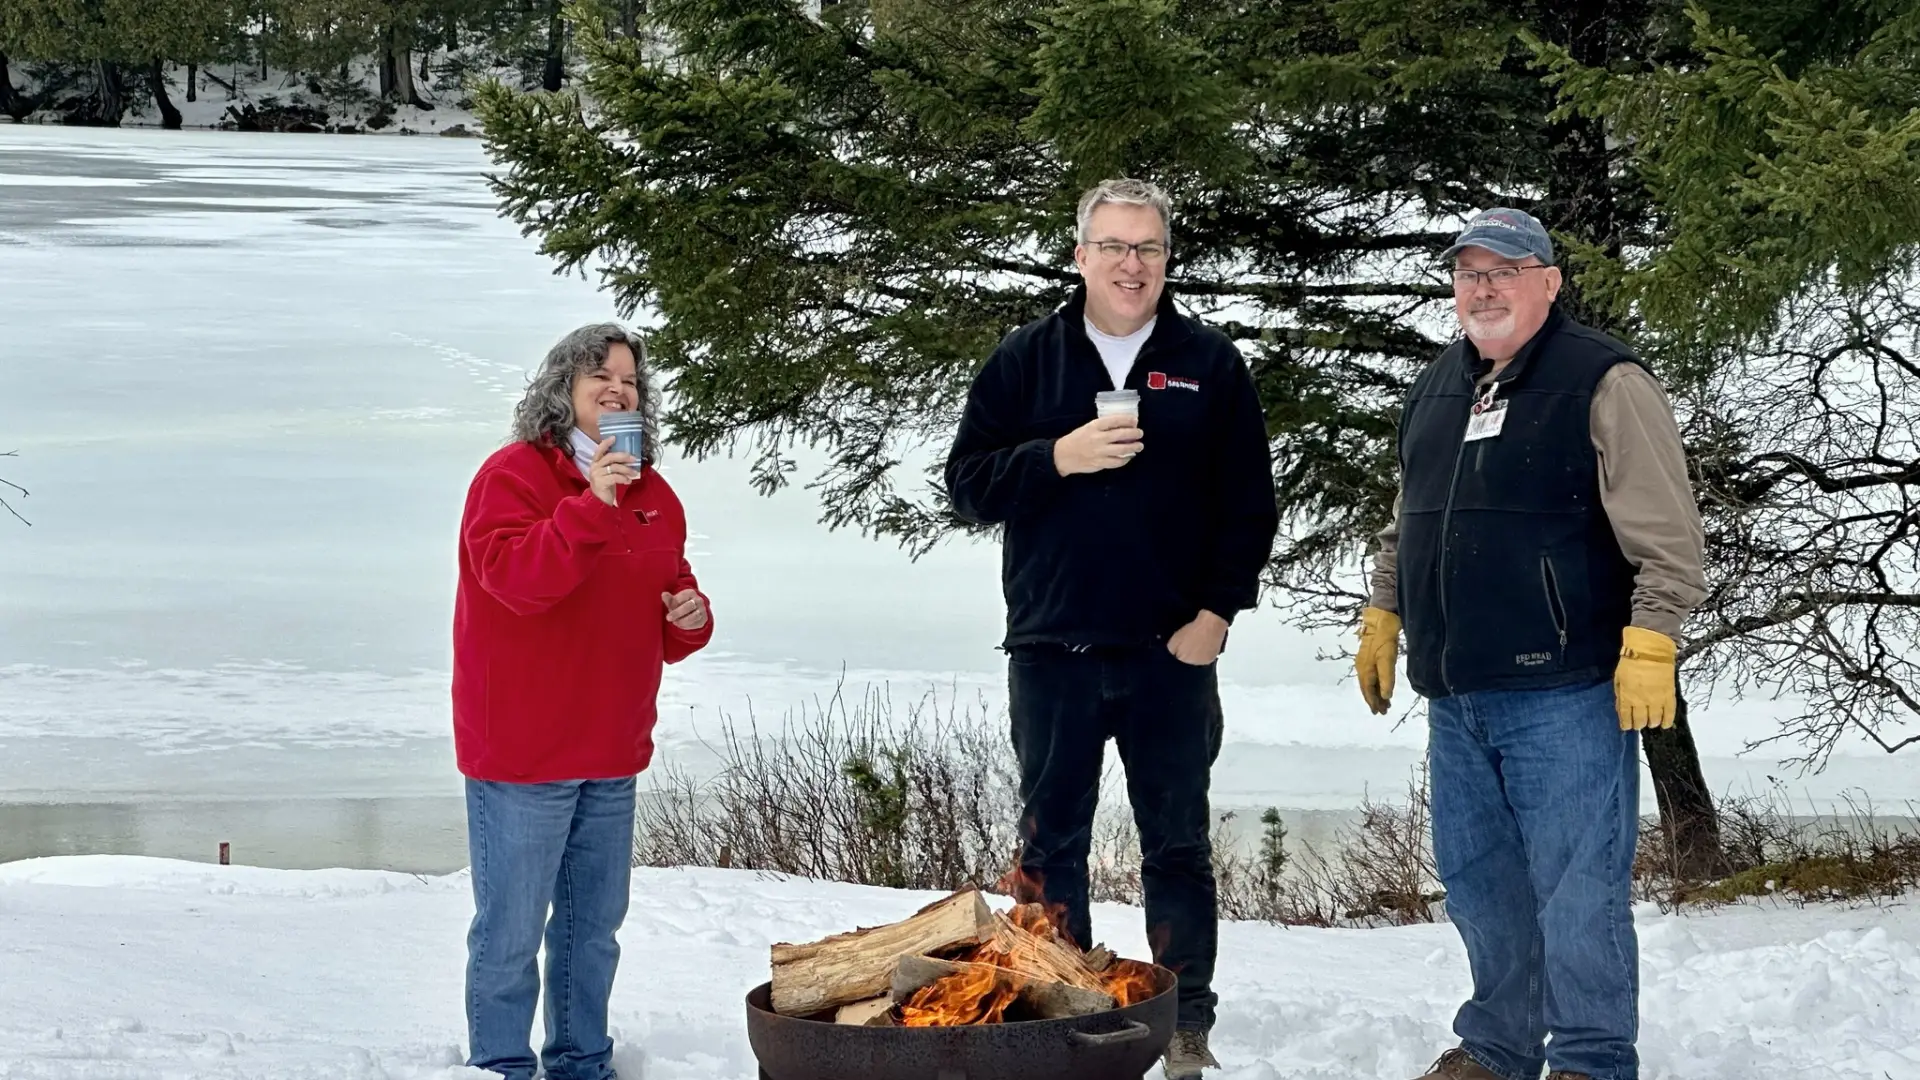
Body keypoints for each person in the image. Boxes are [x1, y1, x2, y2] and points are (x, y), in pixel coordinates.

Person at [1354, 208, 1706, 1080]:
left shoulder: (1604, 379)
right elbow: (1410, 518)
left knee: (1578, 891)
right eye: (1468, 273)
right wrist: (1386, 613)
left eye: (1504, 271)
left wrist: (1653, 639)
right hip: (1456, 692)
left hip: (1565, 693)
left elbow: (1667, 533)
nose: (1484, 288)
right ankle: (1497, 1048)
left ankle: (1589, 1058)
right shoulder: (1437, 386)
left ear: (1548, 282)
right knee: (1480, 887)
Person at [944, 177, 1279, 1079]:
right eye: (1115, 247)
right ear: (1081, 254)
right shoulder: (1027, 359)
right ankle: (1071, 1020)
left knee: (1177, 844)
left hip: (1171, 652)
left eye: (1149, 249)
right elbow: (967, 486)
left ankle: (1184, 1026)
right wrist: (1057, 456)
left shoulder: (1209, 363)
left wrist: (1216, 615)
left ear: (1167, 260)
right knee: (1052, 845)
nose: (1132, 266)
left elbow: (1249, 506)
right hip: (1053, 648)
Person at [451, 322, 714, 1080]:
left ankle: (582, 1064)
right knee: (508, 931)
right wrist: (593, 503)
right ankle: (501, 1066)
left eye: (630, 380)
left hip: (611, 747)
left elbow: (666, 596)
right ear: (561, 391)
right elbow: (517, 582)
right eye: (599, 374)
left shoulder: (654, 494)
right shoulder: (511, 477)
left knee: (592, 932)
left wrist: (688, 615)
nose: (617, 388)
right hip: (523, 753)